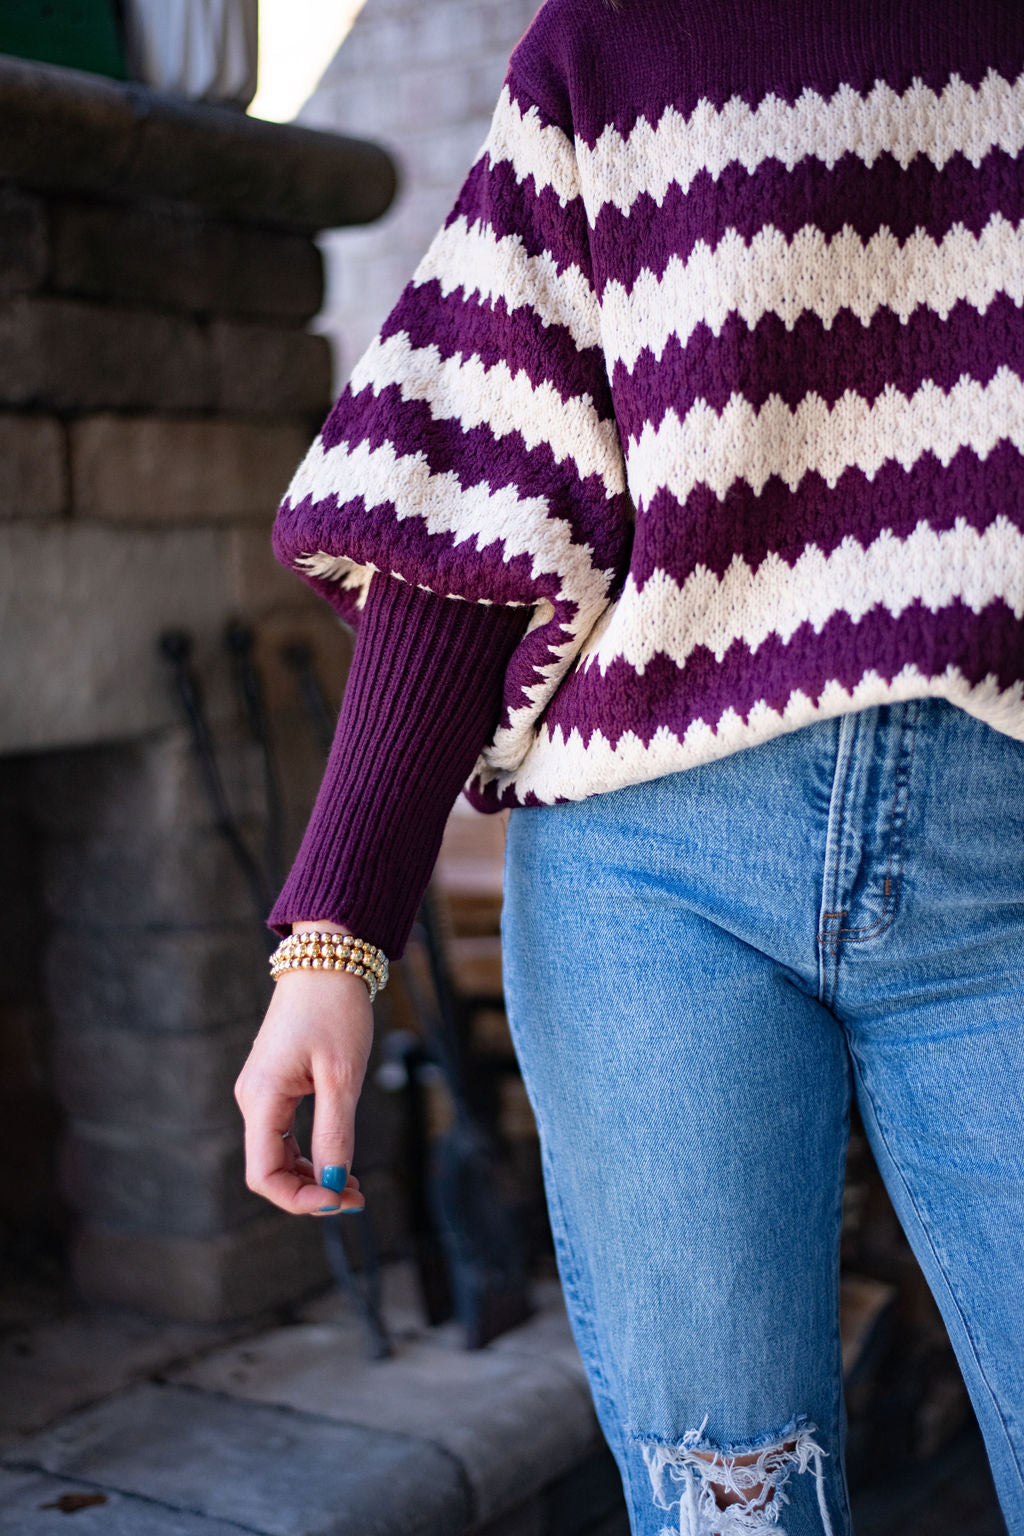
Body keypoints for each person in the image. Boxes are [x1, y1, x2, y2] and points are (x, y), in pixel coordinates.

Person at [232, 0, 1024, 1530]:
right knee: (731, 1499)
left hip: (1005, 862)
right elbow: (479, 496)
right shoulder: (614, 41)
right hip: (652, 884)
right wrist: (332, 936)